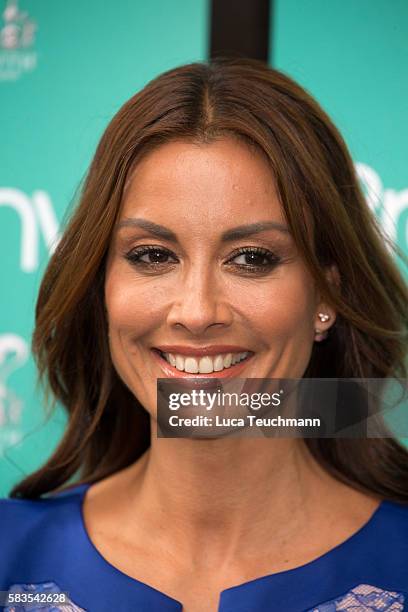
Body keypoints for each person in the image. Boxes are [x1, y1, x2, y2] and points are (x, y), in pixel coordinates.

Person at [1, 57, 408, 612]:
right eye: (152, 256)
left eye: (252, 258)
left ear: (327, 297)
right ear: (102, 287)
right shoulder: (10, 554)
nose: (196, 312)